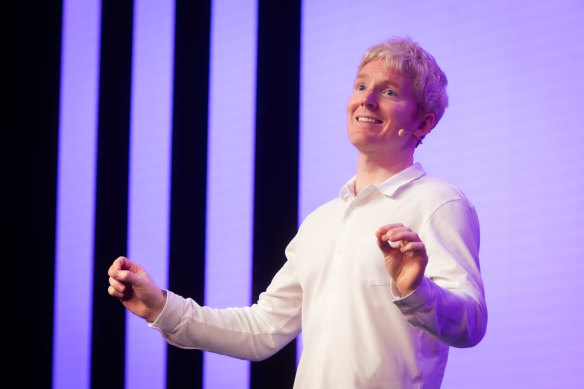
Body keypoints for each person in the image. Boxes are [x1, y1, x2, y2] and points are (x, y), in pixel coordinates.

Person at [108, 37, 487, 388]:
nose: (366, 99)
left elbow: (471, 325)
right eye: (360, 86)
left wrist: (416, 290)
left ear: (423, 122)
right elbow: (262, 330)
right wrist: (160, 305)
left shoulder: (439, 202)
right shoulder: (322, 222)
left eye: (388, 92)